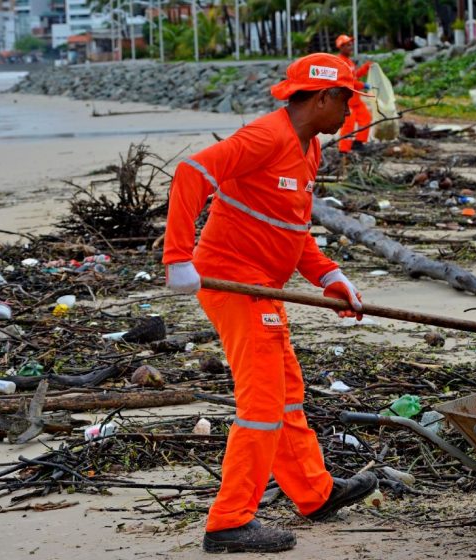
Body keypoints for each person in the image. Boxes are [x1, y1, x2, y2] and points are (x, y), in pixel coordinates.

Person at [163, 52, 378, 554]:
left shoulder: (308, 150)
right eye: (346, 98)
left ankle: (314, 493)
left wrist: (331, 276)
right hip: (233, 282)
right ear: (323, 96)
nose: (350, 110)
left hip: (264, 284)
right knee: (261, 402)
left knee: (287, 393)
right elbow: (192, 173)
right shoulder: (266, 137)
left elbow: (294, 231)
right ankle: (229, 521)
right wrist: (178, 257)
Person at [335, 34, 373, 153]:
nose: (350, 47)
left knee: (366, 119)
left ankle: (358, 143)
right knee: (348, 126)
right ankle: (343, 150)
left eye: (351, 44)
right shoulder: (340, 62)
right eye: (347, 45)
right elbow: (348, 81)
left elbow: (354, 75)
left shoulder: (349, 62)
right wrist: (362, 85)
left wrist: (365, 68)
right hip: (347, 102)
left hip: (356, 100)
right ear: (340, 47)